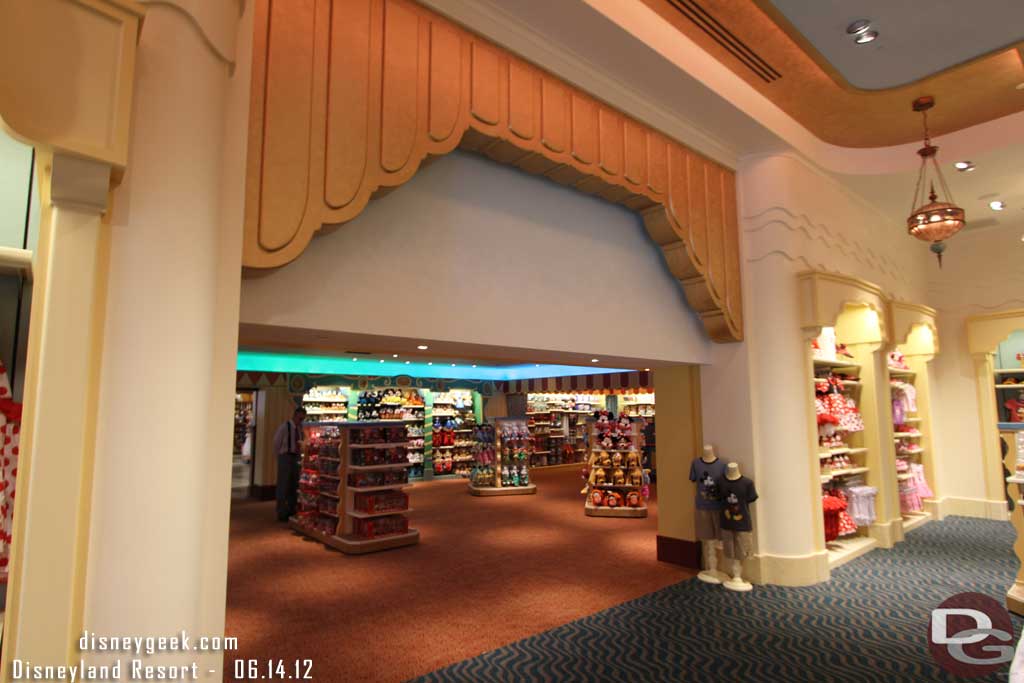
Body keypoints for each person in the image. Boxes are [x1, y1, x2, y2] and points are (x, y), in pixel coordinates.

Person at [273, 407, 306, 521]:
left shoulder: (300, 429)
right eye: (300, 418)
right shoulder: (284, 427)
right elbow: (277, 442)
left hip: (296, 457)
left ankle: (292, 509)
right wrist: (279, 456)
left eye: (302, 419)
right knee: (283, 484)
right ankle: (281, 512)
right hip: (286, 456)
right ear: (295, 415)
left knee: (294, 483)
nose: (300, 421)